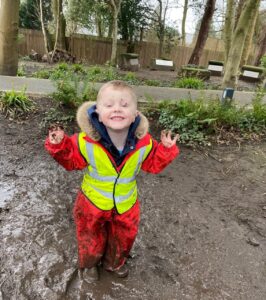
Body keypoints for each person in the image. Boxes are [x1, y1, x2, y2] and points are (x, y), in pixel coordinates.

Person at [45, 80, 179, 282]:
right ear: (97, 111)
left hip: (126, 204)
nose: (117, 109)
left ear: (136, 113)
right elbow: (71, 160)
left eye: (125, 105)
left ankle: (114, 263)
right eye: (109, 105)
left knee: (124, 236)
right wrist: (60, 145)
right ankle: (90, 264)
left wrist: (165, 150)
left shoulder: (144, 142)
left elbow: (153, 164)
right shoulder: (84, 141)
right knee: (89, 235)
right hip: (92, 203)